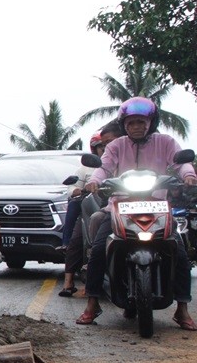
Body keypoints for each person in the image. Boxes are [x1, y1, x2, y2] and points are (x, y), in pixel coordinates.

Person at [76, 98, 197, 328]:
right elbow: (104, 167)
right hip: (120, 206)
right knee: (99, 249)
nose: (137, 126)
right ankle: (92, 303)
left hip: (158, 206)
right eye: (131, 123)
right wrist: (93, 181)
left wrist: (189, 174)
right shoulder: (116, 145)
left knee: (179, 252)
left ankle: (182, 309)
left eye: (141, 122)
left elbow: (181, 163)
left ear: (150, 122)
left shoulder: (166, 142)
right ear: (124, 125)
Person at [59, 122, 120, 296]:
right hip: (96, 206)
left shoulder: (128, 159)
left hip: (127, 207)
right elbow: (73, 188)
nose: (106, 148)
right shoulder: (89, 167)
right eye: (102, 145)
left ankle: (179, 297)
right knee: (79, 240)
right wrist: (83, 188)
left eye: (109, 143)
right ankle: (69, 283)